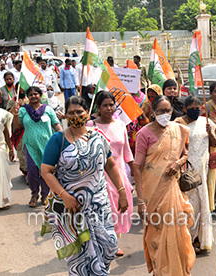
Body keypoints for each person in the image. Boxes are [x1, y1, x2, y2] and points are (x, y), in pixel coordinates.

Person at [39, 95, 127, 275]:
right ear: (65, 115)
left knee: (109, 246)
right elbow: (46, 171)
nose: (75, 115)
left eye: (79, 111)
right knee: (80, 257)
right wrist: (64, 196)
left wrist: (121, 190)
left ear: (87, 113)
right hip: (72, 208)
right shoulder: (58, 140)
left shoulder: (98, 136)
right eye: (71, 112)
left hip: (99, 205)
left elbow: (110, 165)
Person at [133, 95, 195, 276]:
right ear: (152, 112)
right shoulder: (144, 134)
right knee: (157, 238)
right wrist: (141, 202)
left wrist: (178, 163)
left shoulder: (178, 129)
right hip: (152, 194)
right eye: (160, 111)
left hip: (172, 191)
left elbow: (185, 154)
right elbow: (137, 167)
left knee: (177, 234)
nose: (165, 114)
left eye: (168, 110)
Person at [85, 92, 134, 256]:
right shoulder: (90, 126)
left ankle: (113, 242)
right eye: (104, 105)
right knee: (103, 211)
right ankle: (101, 244)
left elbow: (127, 152)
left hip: (119, 175)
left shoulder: (120, 125)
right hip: (99, 176)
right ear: (97, 107)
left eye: (111, 104)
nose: (108, 108)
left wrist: (135, 172)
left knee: (118, 211)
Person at [174, 96, 216, 253]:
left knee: (201, 205)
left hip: (202, 172)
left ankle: (199, 238)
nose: (195, 110)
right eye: (192, 108)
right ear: (185, 108)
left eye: (198, 107)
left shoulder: (206, 122)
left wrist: (210, 133)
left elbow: (214, 144)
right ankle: (187, 239)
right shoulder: (179, 123)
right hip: (186, 170)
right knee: (188, 205)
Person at [10, 86, 62, 207]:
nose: (33, 96)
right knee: (32, 171)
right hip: (30, 145)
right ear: (28, 97)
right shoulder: (23, 110)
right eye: (31, 94)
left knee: (46, 172)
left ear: (40, 95)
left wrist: (63, 138)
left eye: (36, 94)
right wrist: (16, 114)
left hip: (48, 146)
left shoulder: (48, 109)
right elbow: (17, 126)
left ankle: (45, 195)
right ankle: (34, 194)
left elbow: (56, 125)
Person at [6, 85, 29, 176]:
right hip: (18, 129)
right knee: (21, 150)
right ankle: (26, 172)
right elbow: (7, 115)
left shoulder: (29, 100)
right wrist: (14, 108)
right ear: (16, 90)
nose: (22, 92)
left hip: (29, 128)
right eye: (21, 90)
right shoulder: (12, 101)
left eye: (24, 90)